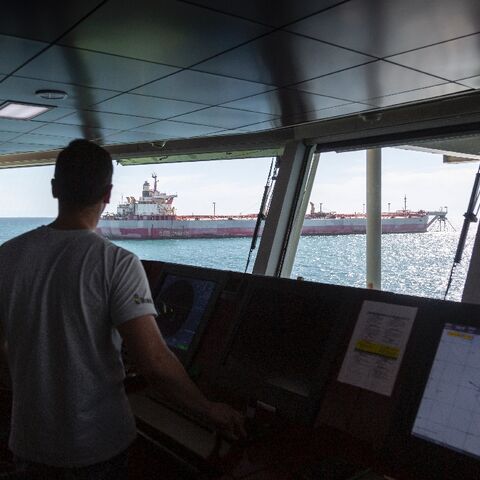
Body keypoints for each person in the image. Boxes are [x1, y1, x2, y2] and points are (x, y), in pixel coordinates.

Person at [0, 139, 244, 479]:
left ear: (55, 188)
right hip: (98, 448)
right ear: (108, 194)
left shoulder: (7, 255)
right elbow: (154, 363)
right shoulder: (117, 263)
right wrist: (207, 408)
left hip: (29, 444)